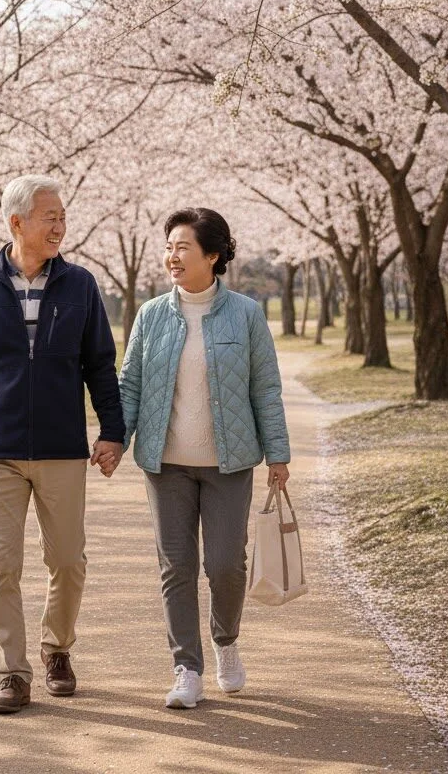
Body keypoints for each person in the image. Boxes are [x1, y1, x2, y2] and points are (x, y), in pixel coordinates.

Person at [0, 174, 126, 714]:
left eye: (63, 217)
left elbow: (99, 365)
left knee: (67, 560)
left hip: (62, 447)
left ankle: (56, 650)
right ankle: (11, 672)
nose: (60, 227)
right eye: (51, 217)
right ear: (17, 222)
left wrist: (111, 431)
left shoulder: (81, 285)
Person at [96, 207, 291, 709]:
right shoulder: (152, 314)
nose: (172, 256)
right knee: (175, 566)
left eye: (183, 246)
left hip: (229, 463)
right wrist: (116, 437)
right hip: (166, 463)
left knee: (226, 564)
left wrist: (279, 455)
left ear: (213, 254)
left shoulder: (247, 314)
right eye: (169, 246)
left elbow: (265, 387)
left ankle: (225, 643)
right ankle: (187, 666)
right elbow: (131, 382)